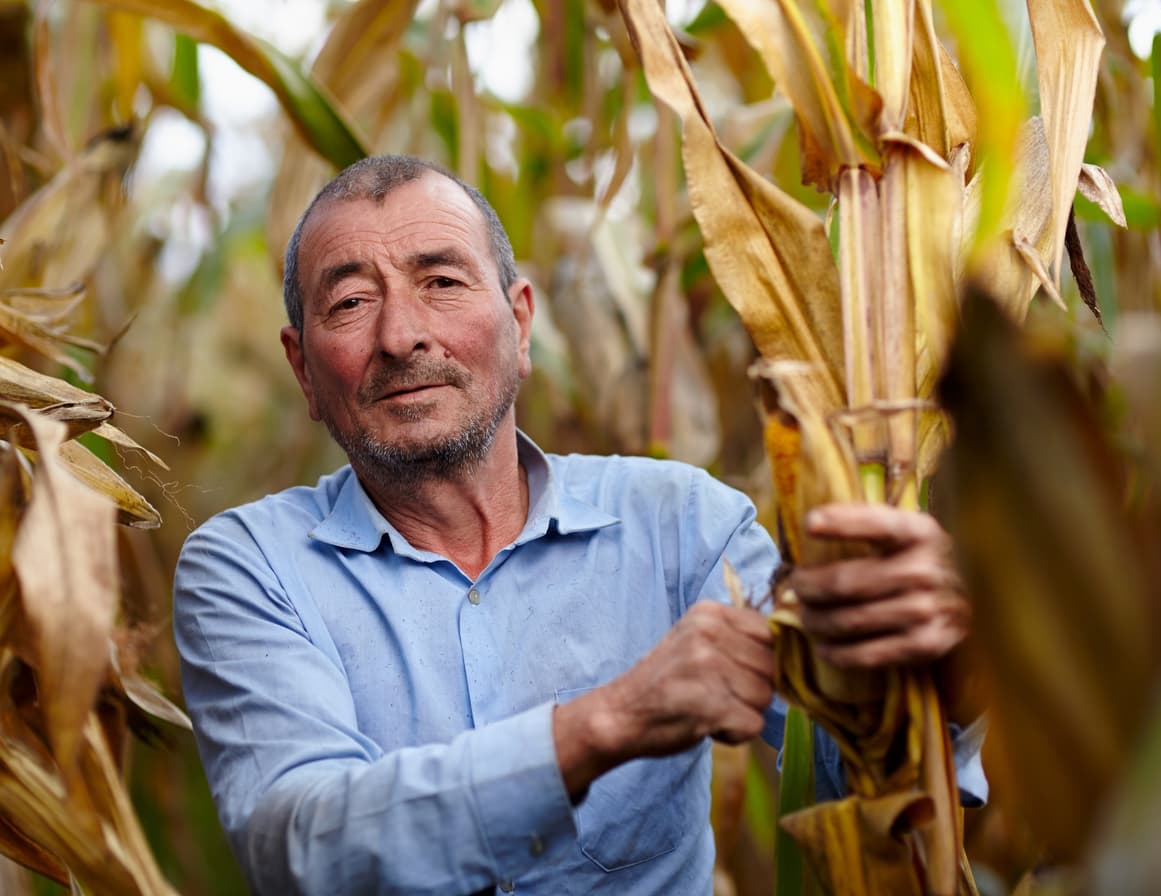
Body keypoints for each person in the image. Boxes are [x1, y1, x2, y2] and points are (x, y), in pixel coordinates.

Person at [173, 155, 983, 896]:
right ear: (302, 368)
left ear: (520, 325)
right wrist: (613, 720)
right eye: (350, 303)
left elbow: (870, 776)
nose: (400, 335)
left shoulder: (683, 526)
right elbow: (302, 846)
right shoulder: (249, 565)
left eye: (443, 283)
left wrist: (943, 658)